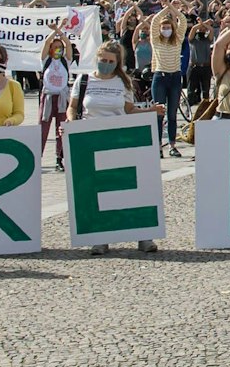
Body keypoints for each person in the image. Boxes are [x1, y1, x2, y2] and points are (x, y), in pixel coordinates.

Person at [71, 40, 163, 254]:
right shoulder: (83, 80)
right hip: (91, 140)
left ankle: (143, 235)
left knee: (129, 189)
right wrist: (69, 124)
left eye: (110, 61)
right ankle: (101, 238)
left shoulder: (124, 83)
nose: (106, 64)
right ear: (97, 59)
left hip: (119, 139)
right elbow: (72, 108)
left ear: (117, 63)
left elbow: (129, 110)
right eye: (103, 60)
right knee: (99, 191)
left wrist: (152, 111)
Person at [148, 5, 188, 158]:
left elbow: (183, 21)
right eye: (163, 27)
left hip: (175, 78)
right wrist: (165, 10)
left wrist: (173, 9)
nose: (166, 29)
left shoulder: (177, 40)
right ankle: (158, 146)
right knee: (159, 114)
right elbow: (154, 22)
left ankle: (172, 145)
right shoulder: (156, 41)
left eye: (168, 27)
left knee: (172, 114)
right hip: (160, 77)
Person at [37, 28, 75, 171]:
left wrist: (60, 31)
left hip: (62, 98)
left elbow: (69, 45)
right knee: (42, 129)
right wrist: (54, 31)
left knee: (61, 129)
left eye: (60, 47)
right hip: (47, 98)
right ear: (51, 50)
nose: (58, 49)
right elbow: (46, 42)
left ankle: (60, 159)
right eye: (55, 47)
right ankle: (37, 157)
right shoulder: (46, 61)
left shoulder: (66, 61)